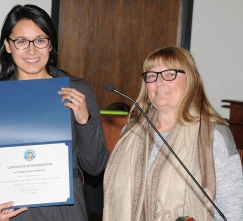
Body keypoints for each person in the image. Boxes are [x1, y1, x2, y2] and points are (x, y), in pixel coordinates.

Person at [0, 4, 108, 221]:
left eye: (40, 40)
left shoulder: (76, 90)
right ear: (7, 45)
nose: (32, 51)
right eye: (21, 41)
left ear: (50, 45)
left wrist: (83, 119)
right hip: (10, 214)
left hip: (65, 213)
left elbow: (95, 167)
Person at [103, 46, 243, 220]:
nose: (159, 82)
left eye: (170, 74)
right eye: (152, 75)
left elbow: (234, 212)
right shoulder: (130, 131)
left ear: (191, 81)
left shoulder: (214, 136)